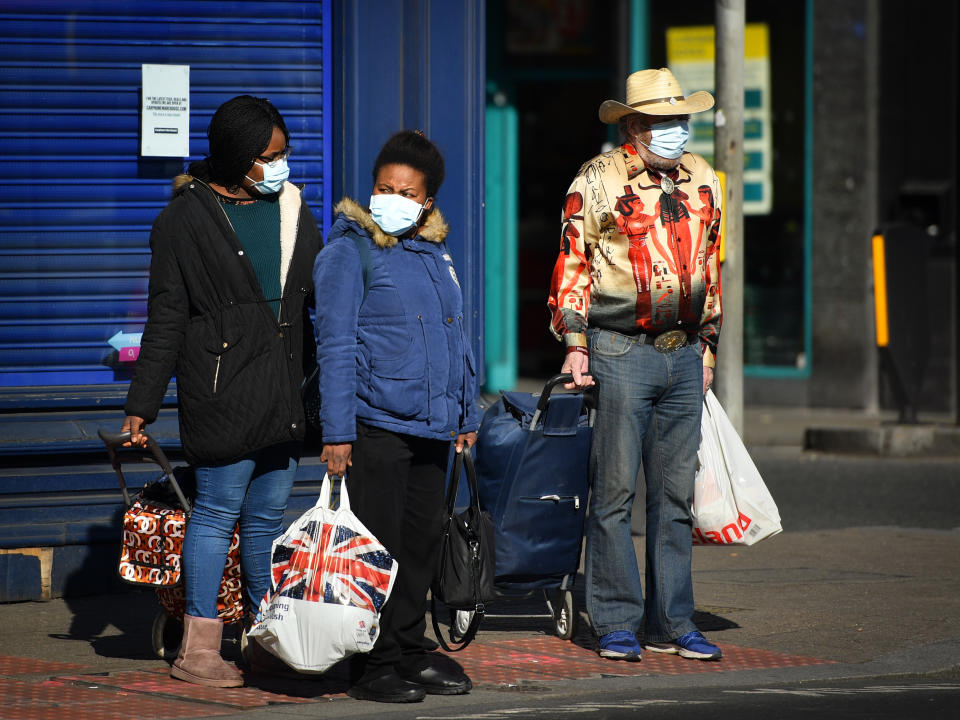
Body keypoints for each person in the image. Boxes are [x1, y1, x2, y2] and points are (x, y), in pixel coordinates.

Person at [121, 95, 322, 686]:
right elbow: (166, 318)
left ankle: (263, 639)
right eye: (269, 156)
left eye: (284, 153)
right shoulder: (184, 220)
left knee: (265, 522)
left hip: (284, 389)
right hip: (222, 391)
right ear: (238, 158)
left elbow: (320, 296)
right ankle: (199, 648)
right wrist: (142, 404)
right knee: (214, 515)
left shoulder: (292, 208)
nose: (280, 166)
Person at [547, 68, 724, 662]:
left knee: (675, 498)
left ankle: (674, 621)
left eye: (682, 120)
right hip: (620, 349)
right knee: (615, 493)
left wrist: (710, 344)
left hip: (684, 352)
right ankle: (617, 619)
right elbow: (572, 266)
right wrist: (575, 344)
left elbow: (711, 264)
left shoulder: (703, 179)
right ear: (633, 125)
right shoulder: (595, 181)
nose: (676, 131)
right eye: (663, 121)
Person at [313, 130, 481, 703]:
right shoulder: (349, 250)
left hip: (432, 427)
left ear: (427, 201)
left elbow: (454, 336)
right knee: (376, 550)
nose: (391, 197)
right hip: (375, 425)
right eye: (383, 187)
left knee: (419, 547)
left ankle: (409, 649)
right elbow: (333, 344)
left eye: (406, 191)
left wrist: (466, 410)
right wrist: (336, 432)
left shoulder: (434, 254)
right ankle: (371, 663)